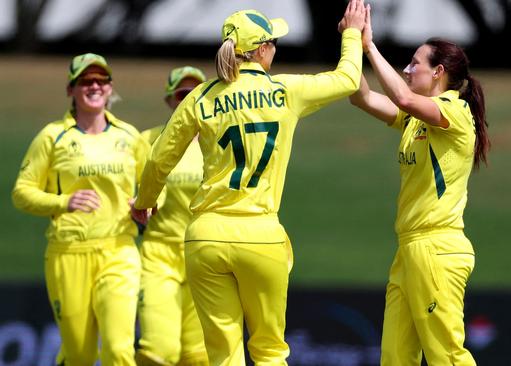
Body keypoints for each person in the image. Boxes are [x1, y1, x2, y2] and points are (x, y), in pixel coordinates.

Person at [130, 1, 366, 363]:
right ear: (262, 50)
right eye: (273, 41)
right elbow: (348, 78)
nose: (276, 48)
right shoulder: (286, 90)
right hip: (260, 235)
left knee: (223, 354)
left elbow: (159, 159)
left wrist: (145, 201)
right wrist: (351, 34)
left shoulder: (201, 96)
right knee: (270, 350)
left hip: (206, 236)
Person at [348, 7, 490, 366]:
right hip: (409, 249)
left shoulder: (455, 113)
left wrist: (370, 47)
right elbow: (360, 96)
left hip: (438, 247)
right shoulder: (415, 119)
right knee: (396, 357)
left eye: (415, 64)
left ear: (438, 72)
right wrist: (350, 40)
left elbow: (404, 99)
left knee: (447, 356)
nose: (408, 71)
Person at [12, 53, 148, 365]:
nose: (95, 86)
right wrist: (64, 202)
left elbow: (156, 184)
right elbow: (22, 193)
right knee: (79, 355)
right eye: (86, 81)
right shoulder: (52, 136)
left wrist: (149, 205)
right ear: (71, 89)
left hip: (119, 250)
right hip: (69, 252)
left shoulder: (130, 136)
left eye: (102, 80)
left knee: (119, 349)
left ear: (111, 88)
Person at [136, 66, 209, 366]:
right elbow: (134, 186)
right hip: (159, 254)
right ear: (169, 100)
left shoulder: (216, 141)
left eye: (196, 93)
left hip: (203, 255)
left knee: (198, 356)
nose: (188, 99)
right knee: (158, 351)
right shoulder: (147, 140)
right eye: (182, 94)